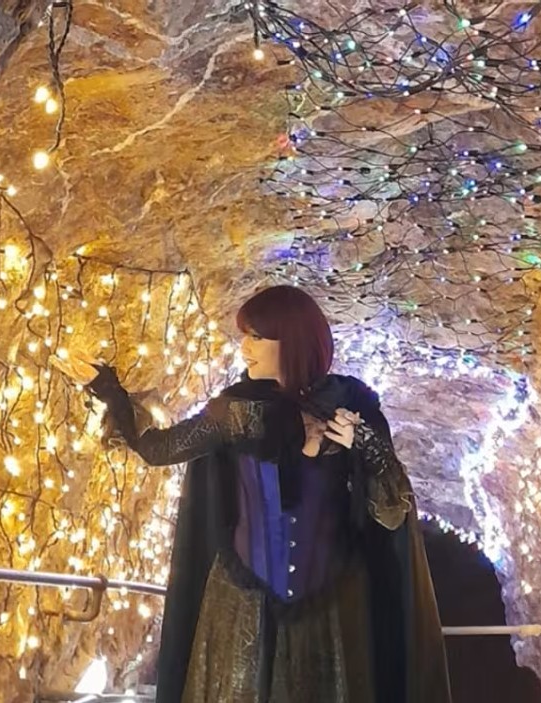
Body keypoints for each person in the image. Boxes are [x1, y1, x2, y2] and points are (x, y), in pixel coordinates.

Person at [56, 285, 451, 703]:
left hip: (334, 610)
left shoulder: (350, 407)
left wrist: (365, 443)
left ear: (294, 341)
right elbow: (159, 448)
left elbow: (392, 509)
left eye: (257, 337)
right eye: (245, 335)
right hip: (243, 607)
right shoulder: (233, 411)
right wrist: (108, 390)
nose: (244, 347)